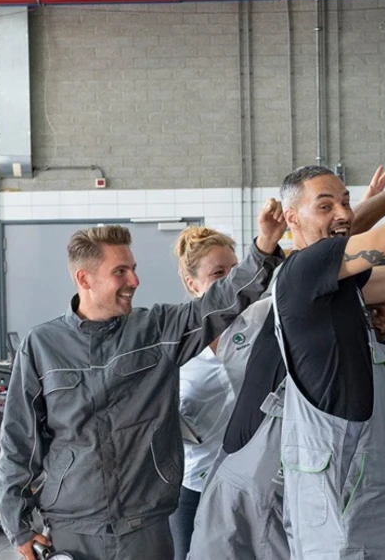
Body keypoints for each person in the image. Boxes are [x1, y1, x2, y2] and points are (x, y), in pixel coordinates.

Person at [195, 95, 385, 559]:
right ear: (292, 219)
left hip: (324, 474)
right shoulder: (302, 270)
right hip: (254, 486)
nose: (344, 212)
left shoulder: (346, 289)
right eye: (325, 204)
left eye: (346, 201)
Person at [0, 209, 286, 560]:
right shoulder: (41, 345)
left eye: (133, 269)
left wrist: (265, 245)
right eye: (121, 271)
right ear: (85, 279)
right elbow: (18, 440)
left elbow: (220, 301)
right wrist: (18, 523)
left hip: (145, 525)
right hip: (73, 528)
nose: (134, 281)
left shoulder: (157, 330)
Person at [168, 226, 243, 560]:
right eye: (218, 274)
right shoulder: (172, 344)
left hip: (250, 483)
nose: (230, 282)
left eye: (235, 272)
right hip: (194, 487)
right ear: (192, 284)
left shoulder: (256, 326)